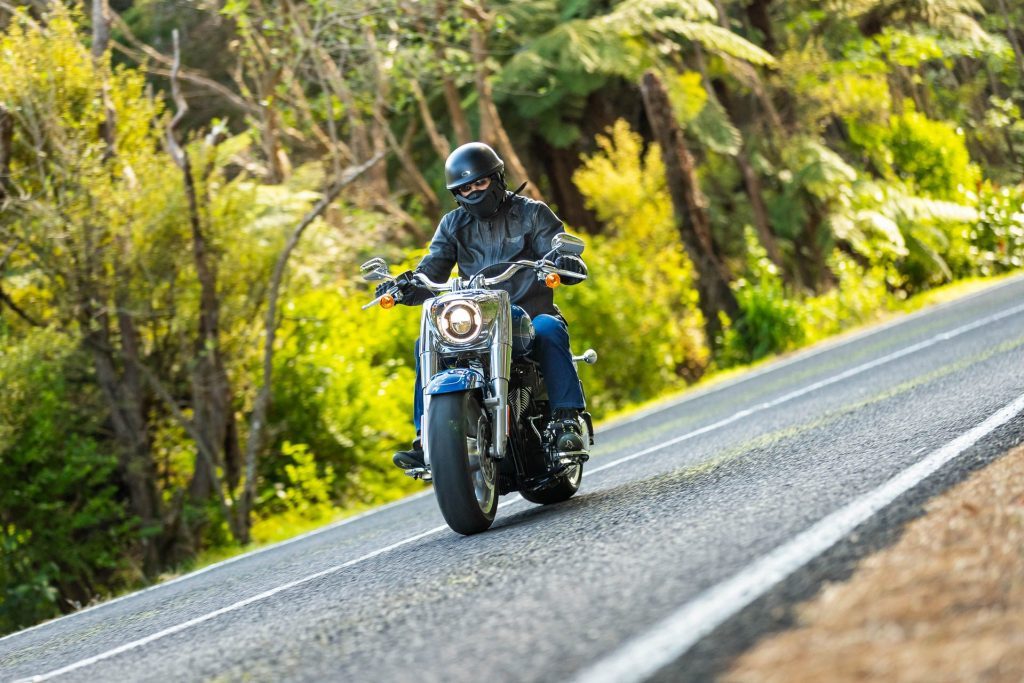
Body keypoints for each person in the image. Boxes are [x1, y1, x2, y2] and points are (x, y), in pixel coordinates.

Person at [380, 141, 588, 470]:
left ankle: (566, 421)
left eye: (480, 182)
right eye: (465, 188)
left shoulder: (532, 213)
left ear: (497, 178)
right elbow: (431, 269)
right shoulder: (452, 225)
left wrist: (563, 261)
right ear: (456, 194)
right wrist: (404, 285)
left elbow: (555, 245)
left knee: (549, 328)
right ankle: (427, 439)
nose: (474, 192)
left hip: (528, 316)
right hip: (478, 322)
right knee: (426, 342)